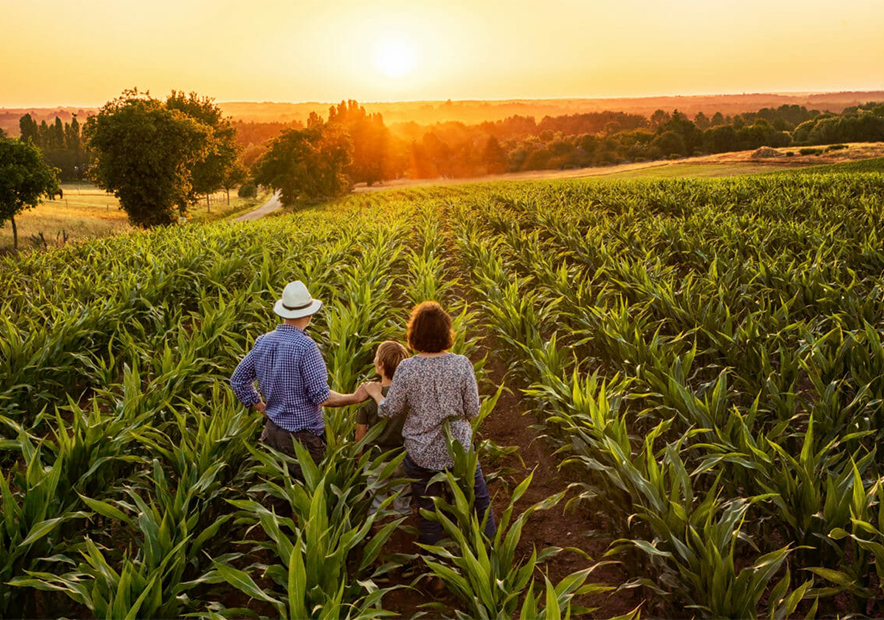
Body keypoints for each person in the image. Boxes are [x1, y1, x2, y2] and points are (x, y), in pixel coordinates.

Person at [363, 302, 496, 546]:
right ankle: (487, 555)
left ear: (414, 334)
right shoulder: (462, 364)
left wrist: (376, 394)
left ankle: (435, 564)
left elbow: (390, 410)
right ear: (447, 332)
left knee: (427, 509)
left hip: (420, 454)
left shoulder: (407, 368)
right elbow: (473, 410)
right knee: (479, 501)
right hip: (458, 452)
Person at [230, 280, 367, 472]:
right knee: (306, 497)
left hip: (271, 433)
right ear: (309, 314)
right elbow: (322, 397)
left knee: (277, 496)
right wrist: (354, 397)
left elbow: (238, 380)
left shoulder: (263, 341)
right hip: (301, 441)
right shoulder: (305, 347)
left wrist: (261, 407)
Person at [356, 340, 412, 516]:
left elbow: (360, 436)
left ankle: (380, 540)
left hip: (376, 460)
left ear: (380, 365)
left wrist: (359, 460)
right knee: (403, 503)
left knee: (376, 505)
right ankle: (403, 538)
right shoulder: (408, 395)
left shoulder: (368, 397)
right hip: (403, 459)